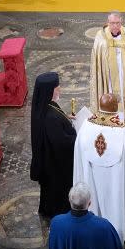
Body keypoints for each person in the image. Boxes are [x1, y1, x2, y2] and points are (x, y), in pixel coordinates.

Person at [73, 93, 125, 243]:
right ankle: (118, 231)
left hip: (91, 174)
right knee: (116, 202)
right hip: (116, 180)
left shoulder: (86, 125)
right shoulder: (124, 131)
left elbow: (79, 148)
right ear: (115, 108)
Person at [30, 72, 77, 217]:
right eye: (57, 87)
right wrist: (77, 135)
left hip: (49, 160)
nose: (60, 89)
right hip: (55, 165)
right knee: (57, 191)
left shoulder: (45, 106)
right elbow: (62, 143)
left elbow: (57, 117)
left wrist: (65, 117)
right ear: (50, 90)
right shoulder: (50, 117)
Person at [90, 12, 125, 125]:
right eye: (112, 23)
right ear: (108, 23)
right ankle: (109, 121)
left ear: (121, 22)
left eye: (117, 23)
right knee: (109, 95)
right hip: (108, 74)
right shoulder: (101, 35)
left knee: (124, 96)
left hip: (124, 73)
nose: (115, 26)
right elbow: (98, 53)